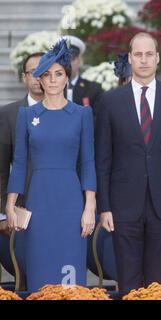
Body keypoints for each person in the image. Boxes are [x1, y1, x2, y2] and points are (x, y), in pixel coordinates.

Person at [95, 32, 161, 297]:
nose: (143, 60)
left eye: (148, 54)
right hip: (122, 205)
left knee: (159, 283)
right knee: (127, 280)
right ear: (130, 58)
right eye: (137, 55)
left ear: (158, 58)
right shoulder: (110, 101)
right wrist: (104, 207)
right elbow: (103, 159)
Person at [5, 39, 96, 292]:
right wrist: (10, 205)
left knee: (70, 270)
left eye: (59, 74)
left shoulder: (82, 114)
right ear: (40, 81)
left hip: (71, 201)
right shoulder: (27, 115)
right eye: (46, 75)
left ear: (67, 78)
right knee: (40, 267)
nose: (53, 80)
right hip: (39, 200)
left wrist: (90, 207)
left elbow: (88, 162)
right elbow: (20, 163)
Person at [0, 52, 45, 238]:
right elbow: (2, 169)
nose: (39, 77)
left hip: (61, 203)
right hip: (21, 209)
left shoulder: (72, 113)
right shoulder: (9, 114)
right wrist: (3, 212)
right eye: (33, 72)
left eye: (44, 71)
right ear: (24, 77)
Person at [62, 35, 103, 115]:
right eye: (64, 59)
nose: (68, 64)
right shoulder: (52, 89)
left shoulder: (93, 89)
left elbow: (99, 120)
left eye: (72, 59)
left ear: (79, 61)